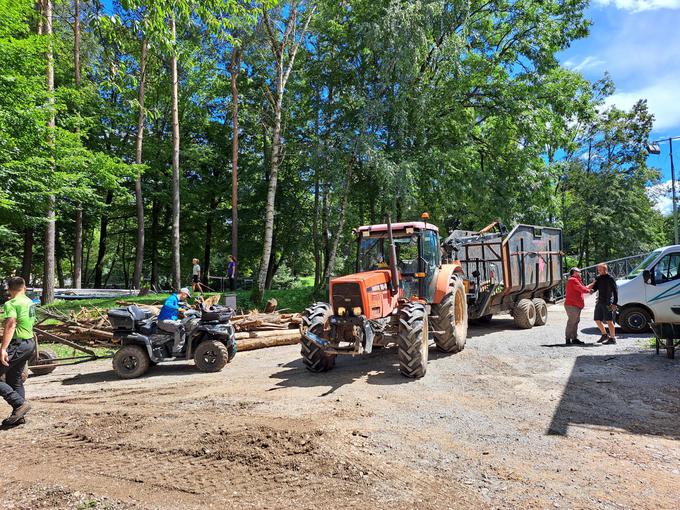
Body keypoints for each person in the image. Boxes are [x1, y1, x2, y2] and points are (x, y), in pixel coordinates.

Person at [0, 277, 35, 427]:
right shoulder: (29, 302)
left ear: (9, 289)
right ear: (24, 287)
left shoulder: (11, 303)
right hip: (29, 343)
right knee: (14, 379)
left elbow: (11, 324)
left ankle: (19, 404)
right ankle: (18, 416)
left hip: (16, 344)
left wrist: (3, 348)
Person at [157, 287, 191, 356]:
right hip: (163, 321)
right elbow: (167, 304)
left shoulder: (176, 300)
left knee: (185, 323)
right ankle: (176, 351)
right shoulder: (172, 298)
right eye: (186, 296)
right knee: (180, 327)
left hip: (170, 320)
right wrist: (178, 308)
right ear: (183, 294)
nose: (186, 298)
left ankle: (183, 346)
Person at [590, 263, 618, 344]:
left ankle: (612, 338)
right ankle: (604, 335)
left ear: (605, 270)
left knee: (609, 320)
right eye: (598, 270)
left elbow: (615, 291)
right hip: (599, 301)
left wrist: (614, 303)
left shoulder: (610, 278)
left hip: (608, 303)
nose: (598, 271)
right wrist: (592, 290)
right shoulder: (598, 277)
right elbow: (596, 287)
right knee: (597, 319)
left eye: (600, 270)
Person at [564, 267, 591, 345]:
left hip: (575, 305)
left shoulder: (576, 280)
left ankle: (574, 338)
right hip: (572, 305)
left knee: (575, 322)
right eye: (579, 271)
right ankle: (568, 339)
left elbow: (583, 288)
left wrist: (591, 286)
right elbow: (582, 289)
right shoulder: (573, 280)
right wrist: (589, 291)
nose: (580, 273)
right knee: (572, 322)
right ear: (574, 272)